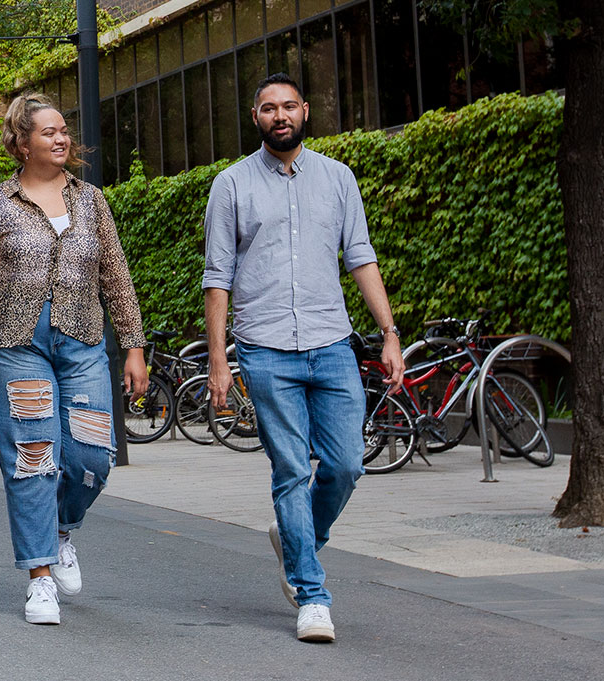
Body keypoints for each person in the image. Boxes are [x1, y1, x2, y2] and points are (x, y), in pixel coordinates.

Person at [203, 73, 405, 643]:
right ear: (256, 117)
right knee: (291, 469)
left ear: (306, 111)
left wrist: (389, 333)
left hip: (331, 342)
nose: (280, 115)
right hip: (265, 348)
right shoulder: (232, 184)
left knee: (345, 465)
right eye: (269, 108)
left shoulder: (339, 178)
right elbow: (217, 277)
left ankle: (296, 541)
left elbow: (360, 256)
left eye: (289, 106)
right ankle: (311, 595)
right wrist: (219, 359)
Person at [0, 92, 147, 626]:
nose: (61, 138)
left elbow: (116, 275)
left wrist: (134, 346)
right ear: (22, 143)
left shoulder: (91, 201)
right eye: (48, 132)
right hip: (13, 344)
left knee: (92, 456)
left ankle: (60, 530)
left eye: (63, 130)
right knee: (33, 454)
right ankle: (39, 578)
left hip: (82, 339)